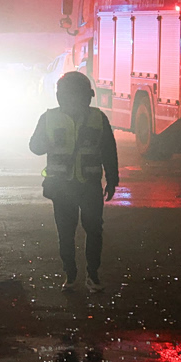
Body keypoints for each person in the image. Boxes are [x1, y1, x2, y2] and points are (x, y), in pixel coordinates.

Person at [29, 71, 118, 292]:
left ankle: (83, 275)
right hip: (70, 186)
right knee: (75, 231)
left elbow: (108, 150)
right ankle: (77, 275)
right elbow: (36, 147)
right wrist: (112, 179)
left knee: (85, 230)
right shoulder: (53, 118)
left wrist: (113, 178)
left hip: (83, 184)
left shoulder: (96, 118)